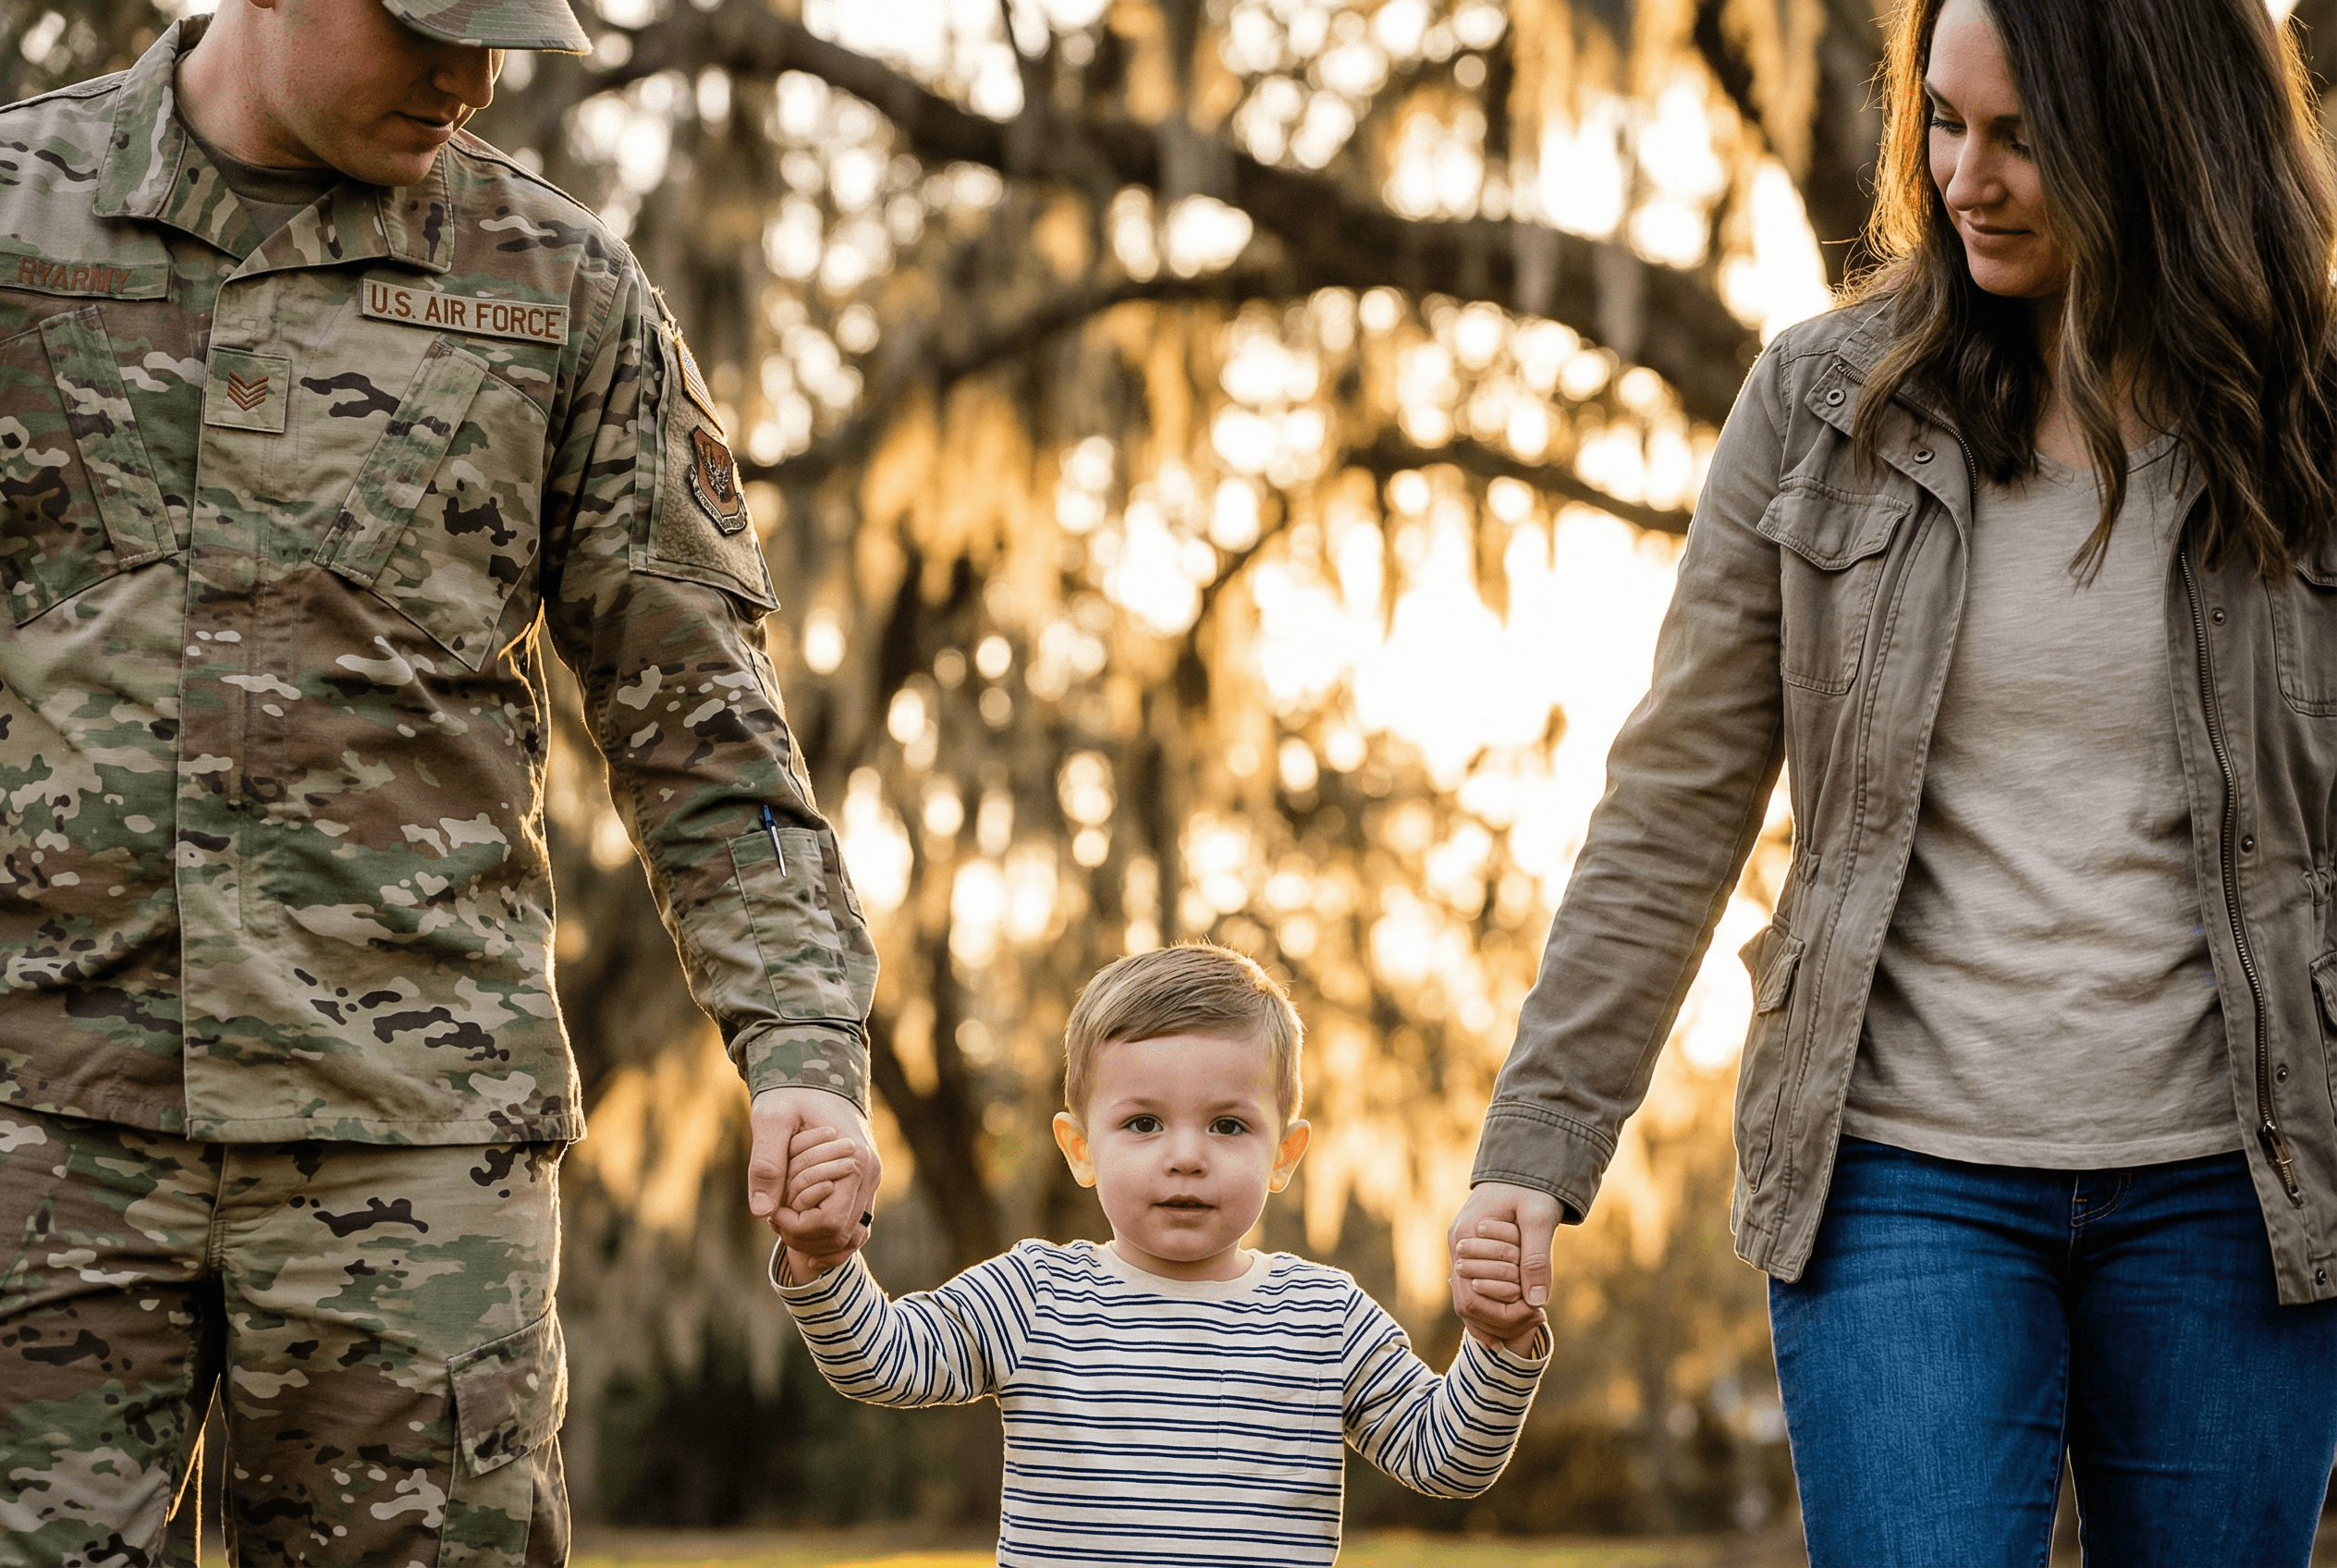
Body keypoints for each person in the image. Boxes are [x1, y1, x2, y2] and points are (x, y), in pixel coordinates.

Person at [1447, 0, 2337, 1562]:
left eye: (2016, 138)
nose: (1959, 177)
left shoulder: (2310, 418)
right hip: (1899, 1174)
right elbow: (1673, 805)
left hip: (2238, 1191)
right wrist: (1538, 1146)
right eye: (1940, 121)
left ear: (2156, 135)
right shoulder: (1819, 405)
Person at [0, 1, 881, 1562]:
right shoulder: (16, 218)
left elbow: (703, 722)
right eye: (425, 23)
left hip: (413, 1154)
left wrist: (802, 1045)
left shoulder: (560, 292)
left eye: (501, 34)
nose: (468, 78)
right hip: (40, 1131)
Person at [771, 943, 1548, 1565]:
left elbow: (1447, 1459)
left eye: (1229, 1126)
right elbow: (885, 1360)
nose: (1186, 1157)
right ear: (1080, 1149)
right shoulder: (1033, 1296)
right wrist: (822, 1261)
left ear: (1285, 1155)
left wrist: (1501, 1344)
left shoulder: (1326, 1318)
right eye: (1143, 1123)